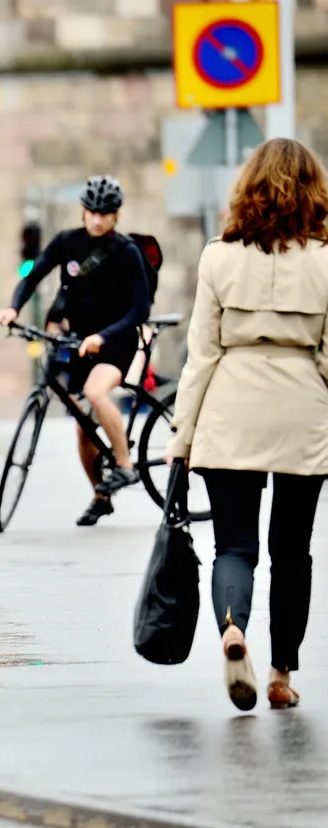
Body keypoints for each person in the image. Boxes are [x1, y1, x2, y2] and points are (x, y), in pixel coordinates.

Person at [167, 138, 328, 712]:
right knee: (293, 550)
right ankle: (283, 671)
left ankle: (234, 630)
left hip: (230, 408)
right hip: (301, 412)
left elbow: (201, 357)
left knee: (234, 546)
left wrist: (181, 438)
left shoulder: (218, 257)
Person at [0, 175, 151, 527]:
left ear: (116, 216)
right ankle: (100, 495)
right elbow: (32, 276)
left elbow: (139, 310)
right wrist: (13, 308)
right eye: (92, 212)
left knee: (96, 392)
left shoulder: (126, 252)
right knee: (83, 429)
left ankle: (125, 465)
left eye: (105, 214)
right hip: (79, 344)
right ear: (82, 212)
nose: (97, 220)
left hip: (116, 343)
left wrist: (103, 335)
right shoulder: (67, 243)